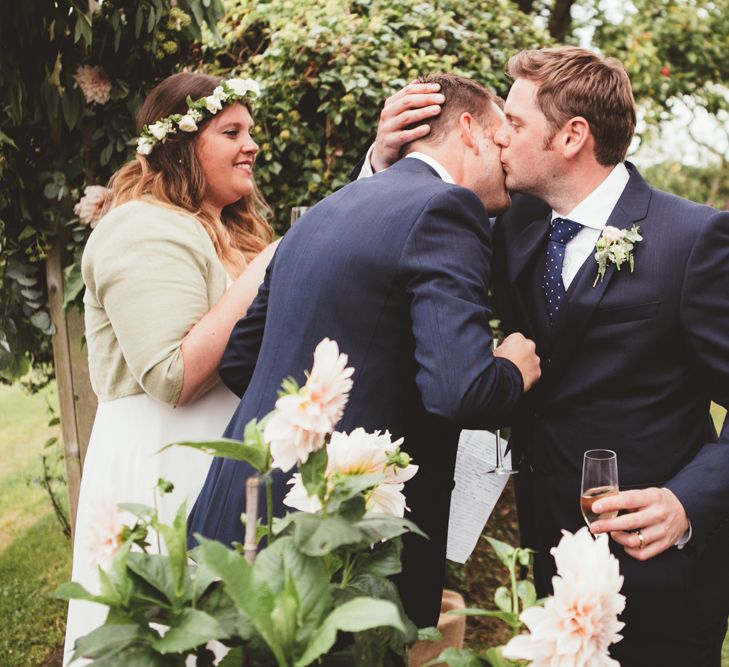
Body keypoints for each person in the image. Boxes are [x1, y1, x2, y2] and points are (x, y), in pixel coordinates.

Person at [365, 47, 729, 666]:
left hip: (658, 569)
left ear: (572, 136)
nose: (498, 135)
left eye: (515, 120)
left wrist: (687, 500)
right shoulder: (514, 222)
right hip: (548, 555)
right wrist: (384, 163)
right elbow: (401, 231)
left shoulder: (694, 240)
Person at [188, 73, 541, 629]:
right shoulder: (448, 208)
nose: (508, 160)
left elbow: (240, 360)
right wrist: (510, 371)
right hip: (336, 543)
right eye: (502, 139)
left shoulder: (325, 211)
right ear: (469, 131)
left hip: (240, 512)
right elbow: (460, 390)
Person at [64, 72, 279, 664]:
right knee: (171, 632)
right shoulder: (141, 226)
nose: (251, 145)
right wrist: (268, 267)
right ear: (183, 145)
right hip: (164, 461)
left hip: (223, 459)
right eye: (231, 130)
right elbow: (173, 375)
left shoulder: (230, 229)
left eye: (251, 131)